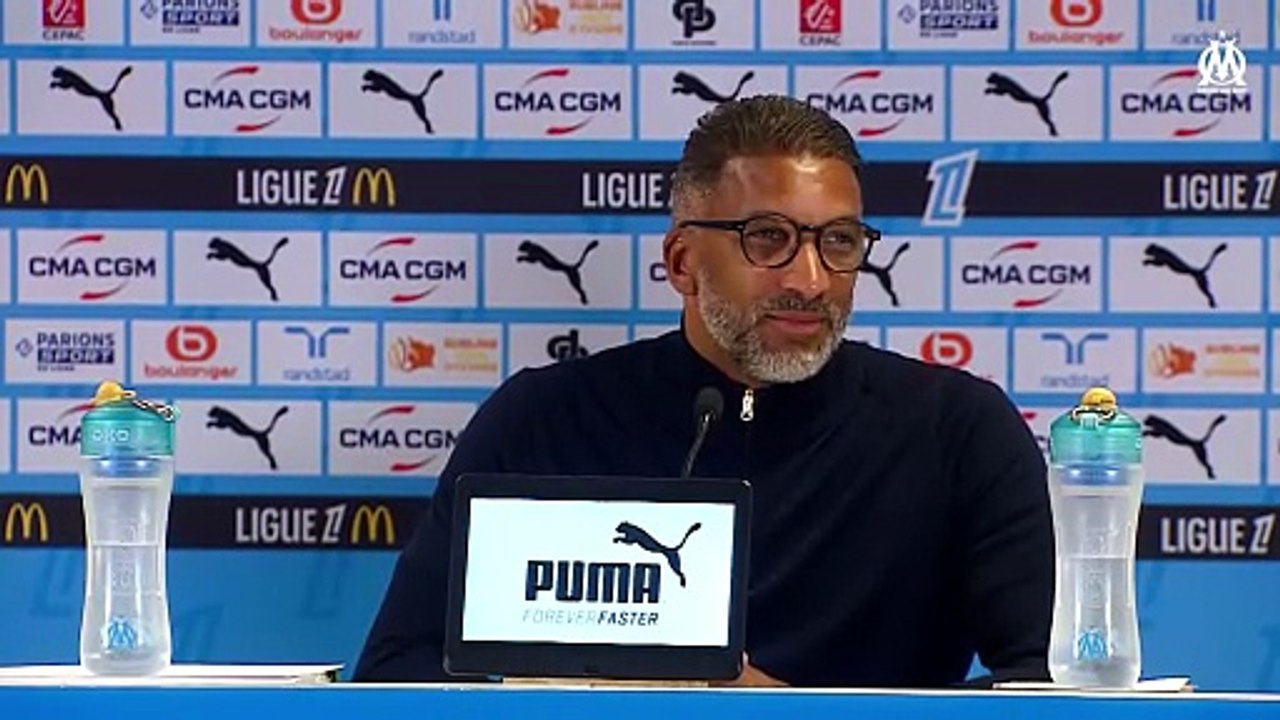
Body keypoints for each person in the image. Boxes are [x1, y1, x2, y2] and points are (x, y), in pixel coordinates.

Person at [353, 95, 1053, 688]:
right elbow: (397, 675)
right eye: (768, 238)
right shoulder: (543, 421)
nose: (810, 280)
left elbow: (1049, 688)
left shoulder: (956, 431)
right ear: (683, 262)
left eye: (838, 242)